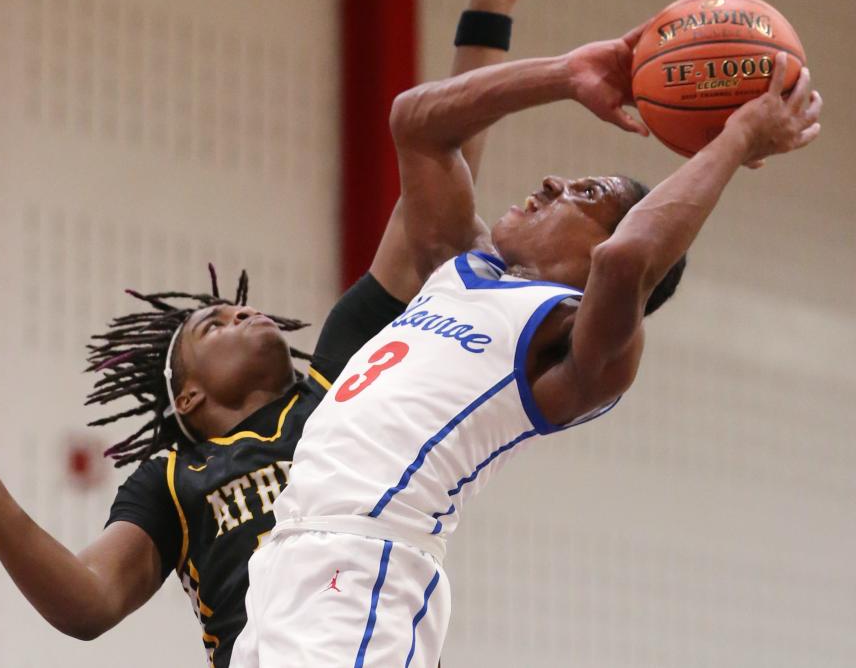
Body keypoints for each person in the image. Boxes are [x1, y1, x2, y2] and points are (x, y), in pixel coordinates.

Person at [0, 0, 574, 667]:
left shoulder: (337, 382)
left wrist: (490, 3)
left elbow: (437, 186)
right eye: (213, 325)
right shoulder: (173, 479)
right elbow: (88, 605)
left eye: (234, 307)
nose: (241, 311)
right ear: (189, 397)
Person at [230, 40, 822, 667]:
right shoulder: (462, 266)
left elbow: (626, 262)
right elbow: (417, 123)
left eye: (586, 194)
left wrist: (733, 140)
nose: (551, 183)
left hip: (362, 563)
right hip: (283, 559)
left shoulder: (570, 341)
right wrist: (566, 75)